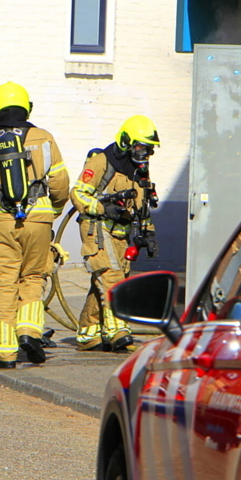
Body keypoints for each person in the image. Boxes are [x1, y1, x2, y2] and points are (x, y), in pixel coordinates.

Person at [0, 82, 70, 368]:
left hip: (1, 219)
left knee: (4, 281)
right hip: (40, 217)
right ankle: (29, 331)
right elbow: (60, 182)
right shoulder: (44, 138)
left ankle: (5, 353)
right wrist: (53, 210)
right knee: (34, 276)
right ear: (27, 107)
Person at [69, 115, 160, 352]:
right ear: (125, 141)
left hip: (121, 234)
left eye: (148, 148)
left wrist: (148, 233)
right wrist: (102, 207)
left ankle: (88, 334)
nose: (144, 153)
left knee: (104, 279)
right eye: (140, 146)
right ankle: (118, 331)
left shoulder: (139, 170)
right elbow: (78, 193)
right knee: (111, 278)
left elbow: (142, 205)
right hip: (97, 228)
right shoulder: (101, 162)